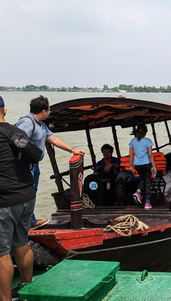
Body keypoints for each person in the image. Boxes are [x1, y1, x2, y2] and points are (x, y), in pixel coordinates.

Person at [16, 95, 85, 228]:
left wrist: (72, 150)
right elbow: (18, 141)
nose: (49, 112)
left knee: (32, 192)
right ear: (43, 111)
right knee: (26, 193)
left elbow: (53, 138)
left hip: (34, 166)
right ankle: (25, 222)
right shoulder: (27, 122)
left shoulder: (41, 125)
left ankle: (29, 221)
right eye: (49, 110)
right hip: (26, 166)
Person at [0, 96, 36, 300]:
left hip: (4, 201)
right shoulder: (17, 131)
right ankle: (26, 289)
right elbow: (35, 155)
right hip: (26, 197)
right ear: (5, 111)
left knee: (1, 252)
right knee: (21, 243)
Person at [129, 124, 156, 210]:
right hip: (146, 164)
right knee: (148, 182)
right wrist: (154, 166)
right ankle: (147, 202)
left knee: (143, 178)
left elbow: (130, 155)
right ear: (145, 133)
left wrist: (131, 166)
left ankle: (138, 192)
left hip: (137, 165)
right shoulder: (148, 141)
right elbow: (150, 155)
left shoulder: (132, 141)